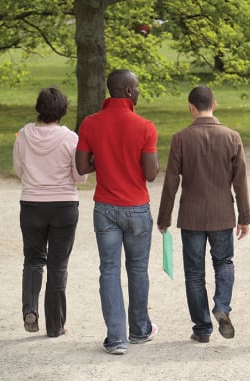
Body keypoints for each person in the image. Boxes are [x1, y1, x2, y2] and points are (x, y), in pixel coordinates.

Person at [157, 85, 250, 344]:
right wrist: (244, 217)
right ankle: (222, 305)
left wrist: (164, 218)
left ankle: (202, 328)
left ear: (191, 107)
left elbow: (171, 182)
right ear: (215, 105)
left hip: (191, 216)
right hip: (223, 215)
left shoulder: (181, 139)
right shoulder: (233, 137)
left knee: (195, 273)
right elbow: (240, 182)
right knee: (224, 262)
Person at [75, 69, 159, 355]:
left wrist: (107, 159)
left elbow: (83, 167)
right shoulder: (145, 126)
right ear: (126, 91)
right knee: (137, 270)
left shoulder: (90, 123)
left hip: (106, 209)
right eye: (136, 87)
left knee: (108, 271)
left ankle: (116, 338)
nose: (138, 91)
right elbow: (151, 174)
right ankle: (139, 330)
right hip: (136, 207)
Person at [13, 86, 87, 338]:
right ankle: (55, 326)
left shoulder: (23, 135)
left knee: (33, 260)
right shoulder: (70, 138)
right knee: (58, 266)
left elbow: (19, 170)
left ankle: (30, 309)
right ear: (63, 110)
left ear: (38, 108)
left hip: (32, 204)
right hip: (64, 206)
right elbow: (80, 176)